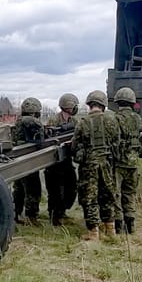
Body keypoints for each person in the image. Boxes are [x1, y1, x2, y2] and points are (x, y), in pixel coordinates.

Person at [71, 90, 121, 241]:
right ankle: (110, 228)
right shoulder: (112, 121)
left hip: (89, 166)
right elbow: (117, 143)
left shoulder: (83, 122)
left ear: (90, 104)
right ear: (103, 105)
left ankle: (93, 232)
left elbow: (74, 146)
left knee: (90, 197)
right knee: (107, 195)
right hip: (107, 164)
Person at [44, 93, 79, 226]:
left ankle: (63, 211)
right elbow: (48, 139)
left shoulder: (74, 122)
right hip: (54, 162)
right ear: (69, 106)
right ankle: (55, 215)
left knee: (71, 188)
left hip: (67, 160)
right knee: (55, 190)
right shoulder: (54, 121)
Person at [112, 87, 142, 234]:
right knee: (130, 193)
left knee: (116, 193)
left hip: (118, 162)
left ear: (118, 102)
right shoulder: (138, 118)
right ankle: (130, 223)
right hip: (133, 162)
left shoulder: (115, 118)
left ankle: (118, 224)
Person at [11, 97, 44, 225]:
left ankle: (16, 214)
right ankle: (31, 217)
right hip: (27, 159)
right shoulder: (29, 121)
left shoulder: (20, 121)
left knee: (18, 188)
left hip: (17, 158)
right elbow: (39, 131)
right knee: (33, 188)